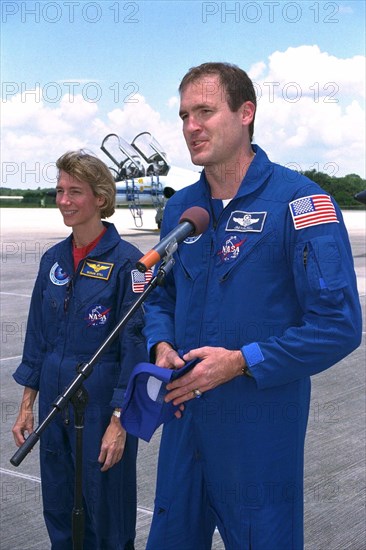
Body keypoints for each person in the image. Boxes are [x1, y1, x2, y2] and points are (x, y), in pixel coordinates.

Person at [142, 62, 362, 549]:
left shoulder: (301, 203)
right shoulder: (182, 210)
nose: (190, 127)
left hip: (259, 432)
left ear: (246, 113)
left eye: (204, 111)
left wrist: (242, 362)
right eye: (183, 115)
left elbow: (340, 325)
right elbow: (161, 294)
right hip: (184, 424)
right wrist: (159, 342)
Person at [12, 150, 148, 550]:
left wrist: (120, 422)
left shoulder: (131, 265)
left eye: (75, 192)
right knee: (58, 504)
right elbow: (37, 335)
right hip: (54, 396)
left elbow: (135, 348)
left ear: (101, 198)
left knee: (106, 508)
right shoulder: (52, 260)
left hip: (102, 399)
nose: (64, 201)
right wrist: (26, 404)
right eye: (59, 191)